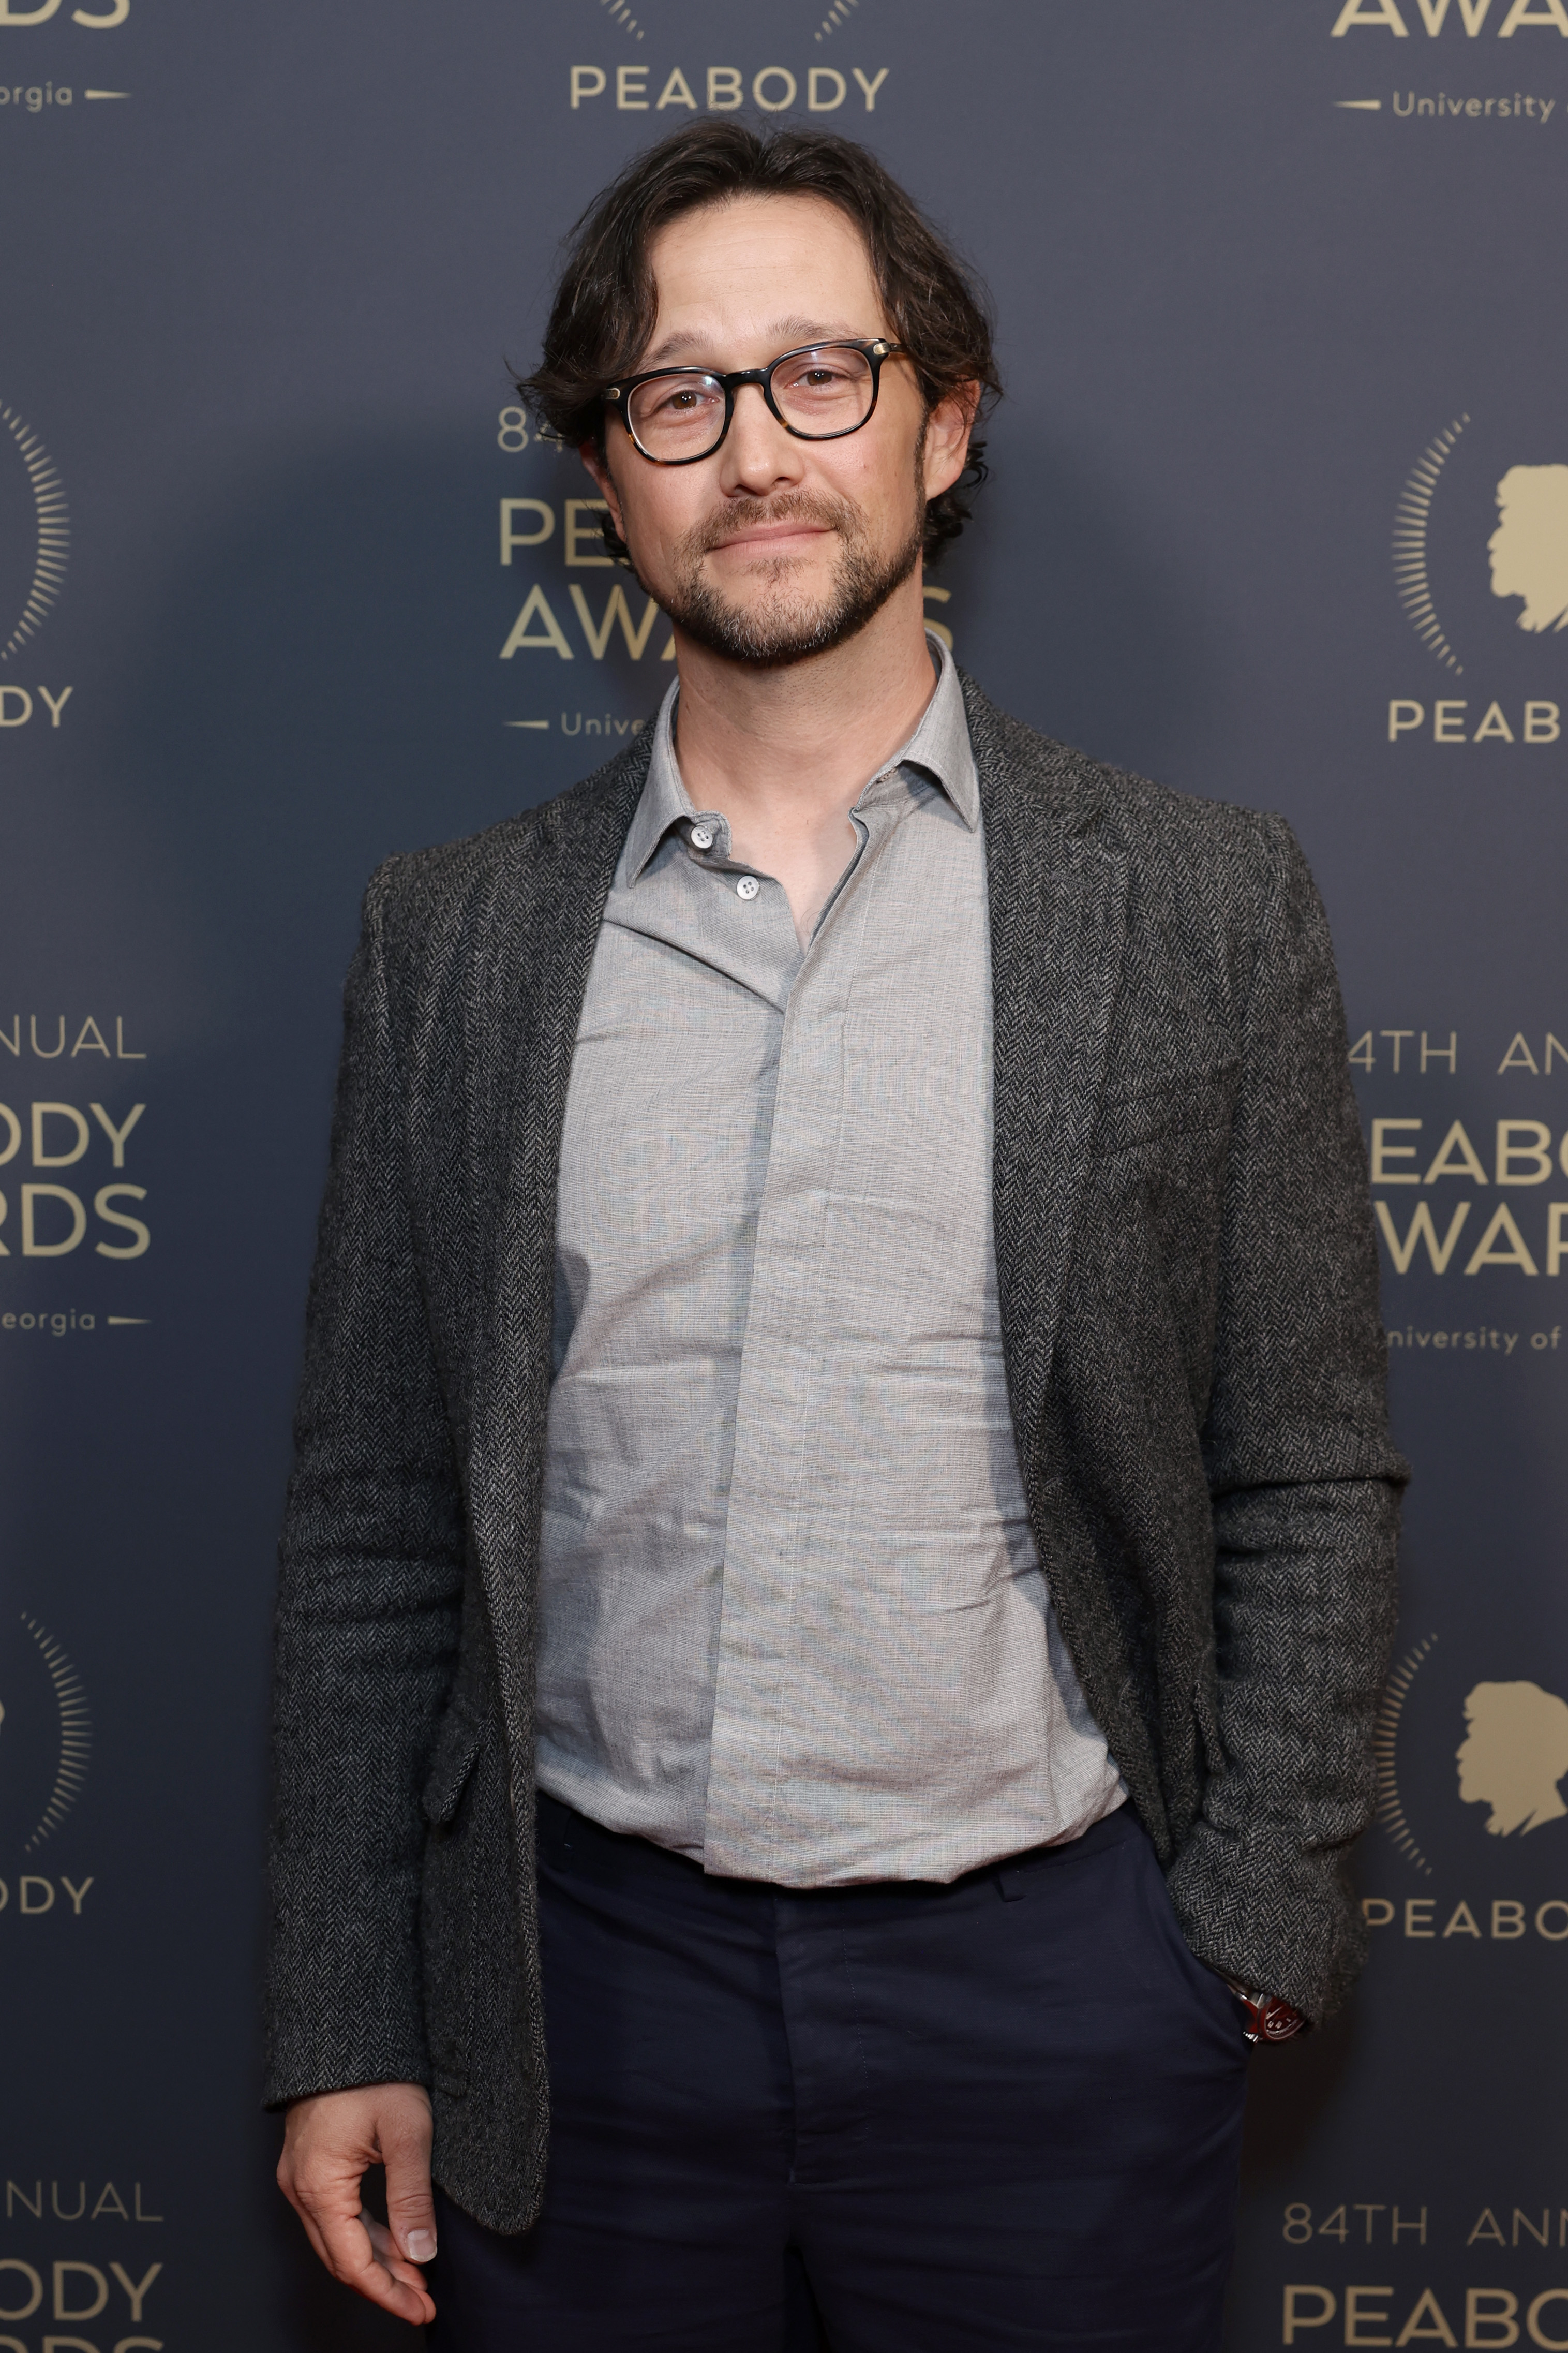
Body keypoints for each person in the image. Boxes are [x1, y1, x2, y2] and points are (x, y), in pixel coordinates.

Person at [264, 122, 1406, 2352]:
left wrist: (1244, 1916)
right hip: (580, 1994)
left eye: (816, 376)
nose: (750, 453)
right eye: (675, 396)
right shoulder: (458, 940)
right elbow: (371, 1526)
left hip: (1054, 1993)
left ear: (939, 417)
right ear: (610, 470)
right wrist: (343, 2011)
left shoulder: (1193, 901)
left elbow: (1305, 1460)